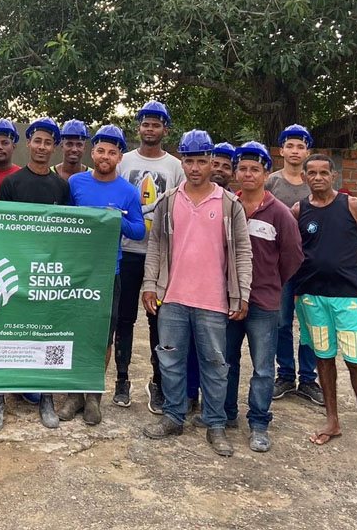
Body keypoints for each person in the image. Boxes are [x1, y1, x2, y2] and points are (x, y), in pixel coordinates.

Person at [142, 129, 252, 457]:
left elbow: (243, 251)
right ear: (182, 161)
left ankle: (215, 424)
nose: (195, 167)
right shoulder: (169, 201)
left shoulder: (230, 204)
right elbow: (156, 245)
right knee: (171, 359)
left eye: (201, 161)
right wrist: (150, 284)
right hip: (173, 297)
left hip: (213, 300)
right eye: (189, 160)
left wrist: (242, 292)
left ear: (211, 163)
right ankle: (174, 416)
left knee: (216, 364)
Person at [292, 154, 357, 462]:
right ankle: (332, 421)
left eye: (324, 172)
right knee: (323, 358)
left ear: (333, 176)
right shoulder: (299, 210)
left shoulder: (353, 206)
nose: (318, 177)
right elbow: (293, 253)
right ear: (306, 177)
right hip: (312, 299)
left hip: (348, 299)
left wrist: (353, 278)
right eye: (312, 173)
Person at [217, 142, 303, 452]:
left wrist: (272, 283)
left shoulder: (278, 212)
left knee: (264, 367)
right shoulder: (229, 206)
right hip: (229, 300)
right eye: (243, 169)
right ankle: (226, 415)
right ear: (236, 173)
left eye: (256, 169)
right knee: (227, 362)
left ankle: (258, 422)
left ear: (266, 172)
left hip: (265, 303)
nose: (248, 174)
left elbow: (293, 256)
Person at [57, 125, 145, 425]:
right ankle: (74, 395)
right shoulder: (77, 183)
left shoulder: (128, 192)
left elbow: (139, 230)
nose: (105, 156)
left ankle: (93, 393)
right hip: (78, 272)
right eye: (100, 150)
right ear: (92, 153)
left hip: (110, 272)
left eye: (112, 151)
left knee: (102, 336)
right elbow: (66, 221)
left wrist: (117, 220)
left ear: (120, 156)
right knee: (75, 333)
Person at [0, 117, 70, 431]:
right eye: (37, 141)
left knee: (45, 334)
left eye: (48, 142)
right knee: (5, 332)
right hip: (13, 271)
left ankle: (46, 398)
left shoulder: (61, 187)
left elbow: (64, 235)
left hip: (44, 274)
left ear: (54, 147)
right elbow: (1, 230)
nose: (42, 147)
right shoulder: (11, 184)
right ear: (29, 143)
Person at [114, 101, 184, 411]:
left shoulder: (176, 167)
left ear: (165, 129)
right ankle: (121, 380)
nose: (150, 129)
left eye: (156, 124)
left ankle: (157, 383)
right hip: (126, 252)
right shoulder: (124, 161)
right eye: (145, 123)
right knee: (124, 319)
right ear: (138, 128)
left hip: (160, 256)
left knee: (159, 321)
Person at [267, 124, 324, 406]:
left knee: (310, 322)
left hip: (310, 265)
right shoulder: (272, 182)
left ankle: (309, 379)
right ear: (281, 151)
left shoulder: (314, 183)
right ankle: (286, 375)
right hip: (279, 265)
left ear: (307, 152)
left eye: (300, 146)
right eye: (290, 146)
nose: (295, 151)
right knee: (281, 321)